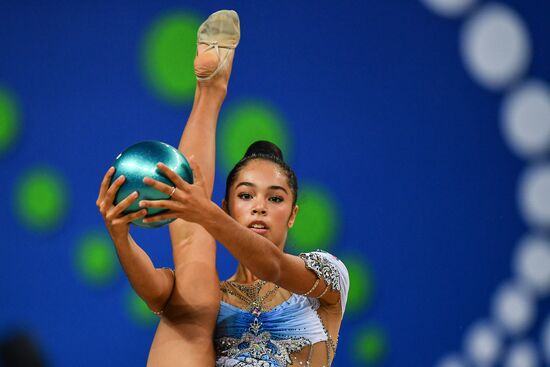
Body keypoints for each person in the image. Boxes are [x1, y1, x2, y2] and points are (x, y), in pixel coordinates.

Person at [96, 10, 239, 366]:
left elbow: (275, 267)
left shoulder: (312, 280)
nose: (259, 206)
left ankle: (210, 93)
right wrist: (120, 238)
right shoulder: (194, 296)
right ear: (227, 203)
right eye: (246, 194)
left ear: (295, 212)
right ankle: (210, 91)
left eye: (275, 197)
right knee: (193, 276)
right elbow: (154, 291)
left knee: (197, 274)